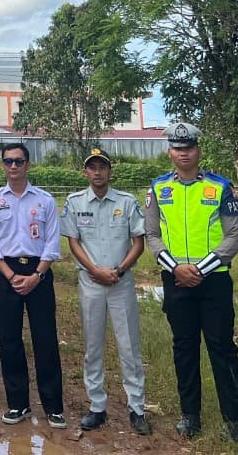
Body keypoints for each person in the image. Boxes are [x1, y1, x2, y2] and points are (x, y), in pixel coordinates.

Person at [144, 122, 238, 443]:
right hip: (175, 281)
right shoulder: (159, 189)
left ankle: (233, 420)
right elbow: (151, 234)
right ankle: (190, 416)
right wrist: (175, 268)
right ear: (170, 152)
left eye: (188, 148)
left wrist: (200, 269)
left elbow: (234, 236)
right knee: (184, 348)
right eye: (177, 148)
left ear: (198, 150)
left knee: (222, 348)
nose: (183, 153)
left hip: (213, 281)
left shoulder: (220, 188)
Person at [60, 148, 151, 435]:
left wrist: (120, 270)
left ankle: (137, 408)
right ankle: (97, 406)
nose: (97, 172)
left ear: (110, 171)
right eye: (92, 167)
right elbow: (73, 243)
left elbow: (138, 242)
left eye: (102, 167)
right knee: (93, 347)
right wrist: (95, 271)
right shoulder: (75, 203)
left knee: (129, 348)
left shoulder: (126, 202)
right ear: (85, 172)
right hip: (91, 284)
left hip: (120, 283)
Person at [0, 143, 65, 428]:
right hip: (7, 274)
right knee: (10, 341)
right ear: (2, 165)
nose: (14, 167)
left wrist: (37, 275)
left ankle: (53, 407)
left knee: (45, 341)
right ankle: (18, 405)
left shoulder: (45, 200)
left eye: (19, 161)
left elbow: (53, 243)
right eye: (8, 162)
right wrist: (8, 273)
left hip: (39, 274)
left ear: (28, 164)